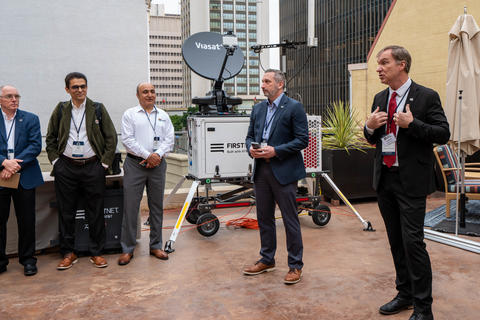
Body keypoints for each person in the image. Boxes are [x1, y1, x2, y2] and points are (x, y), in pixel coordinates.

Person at [364, 46, 450, 320]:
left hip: (411, 181)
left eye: (384, 62)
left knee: (413, 242)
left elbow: (443, 133)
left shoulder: (426, 96)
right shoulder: (380, 96)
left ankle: (424, 309)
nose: (379, 68)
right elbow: (373, 140)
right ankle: (405, 294)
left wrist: (412, 124)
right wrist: (369, 127)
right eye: (378, 63)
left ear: (402, 64)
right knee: (395, 242)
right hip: (385, 179)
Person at [46, 72, 118, 270]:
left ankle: (97, 252)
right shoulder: (61, 109)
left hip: (93, 167)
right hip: (66, 168)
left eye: (83, 86)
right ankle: (68, 253)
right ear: (67, 89)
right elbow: (50, 138)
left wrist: (103, 165)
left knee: (95, 212)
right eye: (75, 87)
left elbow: (111, 138)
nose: (80, 90)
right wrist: (56, 163)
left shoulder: (98, 109)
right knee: (66, 212)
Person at [244, 69, 309, 284]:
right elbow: (250, 136)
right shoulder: (258, 108)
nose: (263, 85)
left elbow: (302, 140)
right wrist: (250, 149)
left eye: (267, 81)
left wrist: (276, 150)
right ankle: (267, 259)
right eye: (262, 81)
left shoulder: (294, 107)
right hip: (261, 170)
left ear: (280, 84)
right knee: (264, 218)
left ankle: (295, 265)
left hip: (284, 171)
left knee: (290, 219)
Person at [117, 82, 174, 266]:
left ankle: (156, 245)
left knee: (156, 206)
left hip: (158, 165)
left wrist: (156, 156)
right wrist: (147, 155)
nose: (149, 95)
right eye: (145, 92)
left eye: (152, 92)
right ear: (138, 95)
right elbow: (127, 139)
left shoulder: (164, 115)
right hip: (135, 165)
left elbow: (169, 140)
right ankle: (127, 248)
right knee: (131, 207)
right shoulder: (130, 115)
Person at [0, 85, 44, 276]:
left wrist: (14, 165)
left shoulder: (31, 119)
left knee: (26, 220)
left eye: (17, 96)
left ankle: (28, 260)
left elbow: (35, 146)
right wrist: (3, 163)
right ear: (0, 99)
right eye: (9, 96)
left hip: (24, 175)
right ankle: (1, 262)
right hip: (1, 175)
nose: (14, 99)